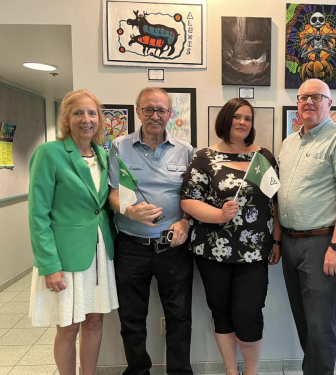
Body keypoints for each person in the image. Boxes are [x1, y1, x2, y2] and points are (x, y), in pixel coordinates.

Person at [180, 98, 281, 375]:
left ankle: (251, 371)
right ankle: (230, 371)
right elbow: (189, 201)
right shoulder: (204, 157)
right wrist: (219, 215)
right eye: (237, 117)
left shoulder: (264, 157)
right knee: (221, 313)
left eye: (248, 118)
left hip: (255, 251)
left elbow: (275, 204)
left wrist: (276, 240)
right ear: (226, 120)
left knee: (249, 314)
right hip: (212, 252)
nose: (243, 122)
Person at [278, 79, 336, 375]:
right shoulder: (289, 143)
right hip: (290, 242)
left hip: (323, 243)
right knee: (304, 321)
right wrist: (278, 241)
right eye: (303, 97)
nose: (308, 102)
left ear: (330, 103)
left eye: (317, 97)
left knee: (320, 324)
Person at [28, 89, 118, 375]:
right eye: (78, 112)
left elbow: (112, 198)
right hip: (65, 256)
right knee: (68, 328)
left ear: (100, 119)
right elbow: (38, 215)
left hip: (99, 251)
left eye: (92, 113)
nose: (86, 119)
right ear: (66, 118)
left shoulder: (103, 154)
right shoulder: (49, 153)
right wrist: (49, 264)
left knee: (95, 322)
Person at [108, 87, 194, 375]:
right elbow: (111, 194)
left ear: (170, 114)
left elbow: (193, 198)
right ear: (138, 111)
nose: (155, 116)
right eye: (148, 109)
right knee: (131, 318)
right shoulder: (118, 147)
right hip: (131, 248)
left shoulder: (186, 151)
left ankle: (180, 373)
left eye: (161, 110)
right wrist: (127, 210)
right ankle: (138, 371)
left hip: (173, 248)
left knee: (180, 317)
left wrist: (186, 222)